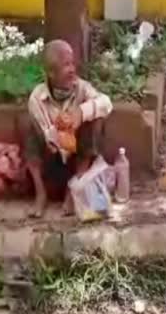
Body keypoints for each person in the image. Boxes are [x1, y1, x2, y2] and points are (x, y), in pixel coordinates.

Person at [23, 39, 113, 217]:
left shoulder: (82, 88)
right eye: (66, 65)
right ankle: (41, 194)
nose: (72, 69)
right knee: (28, 126)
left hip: (78, 163)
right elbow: (49, 138)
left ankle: (73, 193)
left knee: (93, 119)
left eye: (72, 63)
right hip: (52, 159)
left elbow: (106, 103)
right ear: (51, 72)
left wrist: (81, 113)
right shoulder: (37, 98)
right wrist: (63, 130)